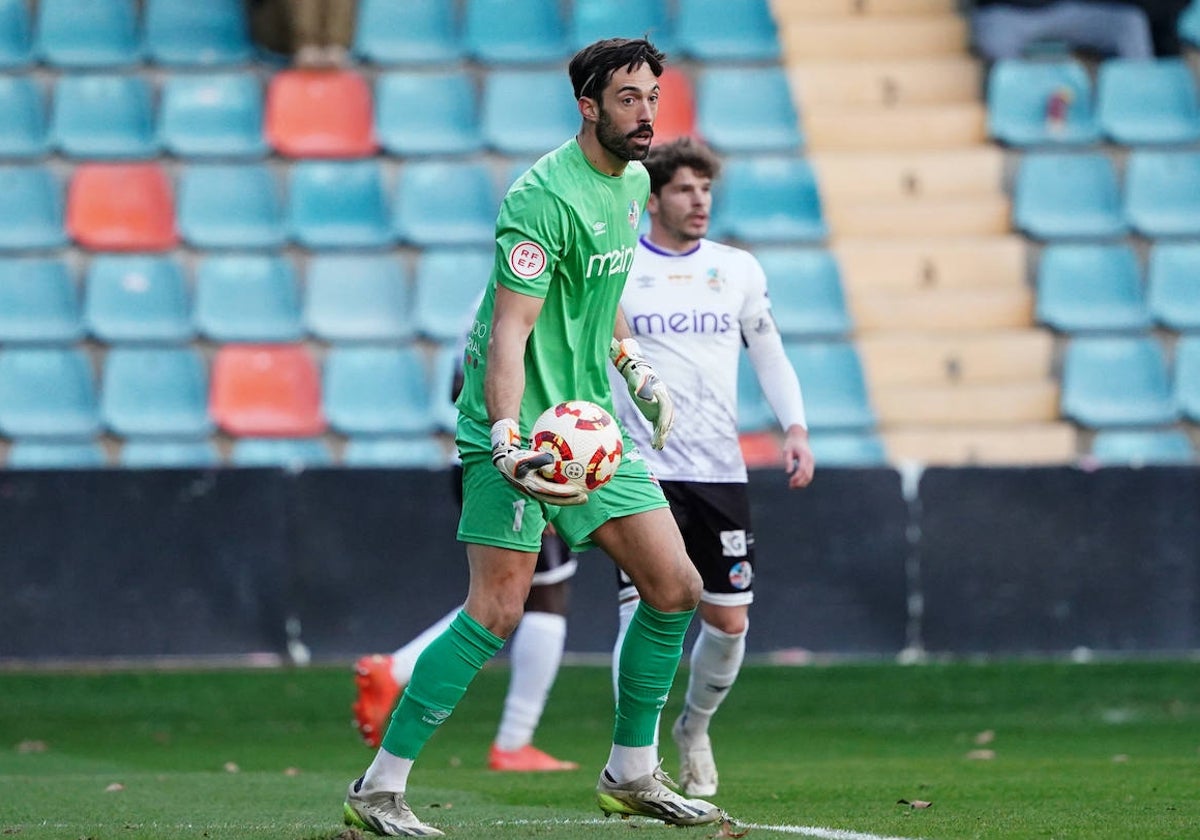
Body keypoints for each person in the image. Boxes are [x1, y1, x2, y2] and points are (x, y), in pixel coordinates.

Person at [342, 37, 725, 836]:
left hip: (590, 428)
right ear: (588, 106)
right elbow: (510, 331)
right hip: (519, 434)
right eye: (628, 98)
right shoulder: (539, 199)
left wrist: (632, 362)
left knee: (676, 588)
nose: (646, 112)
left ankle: (632, 773)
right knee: (497, 612)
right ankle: (379, 789)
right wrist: (509, 437)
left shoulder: (630, 181)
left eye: (652, 96)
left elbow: (604, 286)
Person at [609, 137, 816, 798]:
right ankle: (633, 760)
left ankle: (693, 729)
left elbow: (769, 351)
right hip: (639, 469)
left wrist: (796, 427)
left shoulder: (738, 270)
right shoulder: (619, 270)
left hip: (719, 471)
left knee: (729, 624)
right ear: (653, 198)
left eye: (705, 189)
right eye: (683, 189)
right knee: (643, 611)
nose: (699, 201)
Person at [353, 365, 580, 773]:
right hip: (522, 462)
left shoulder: (483, 303)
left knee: (515, 596)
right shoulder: (529, 303)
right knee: (530, 600)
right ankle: (510, 741)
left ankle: (400, 671)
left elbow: (459, 386)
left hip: (485, 454)